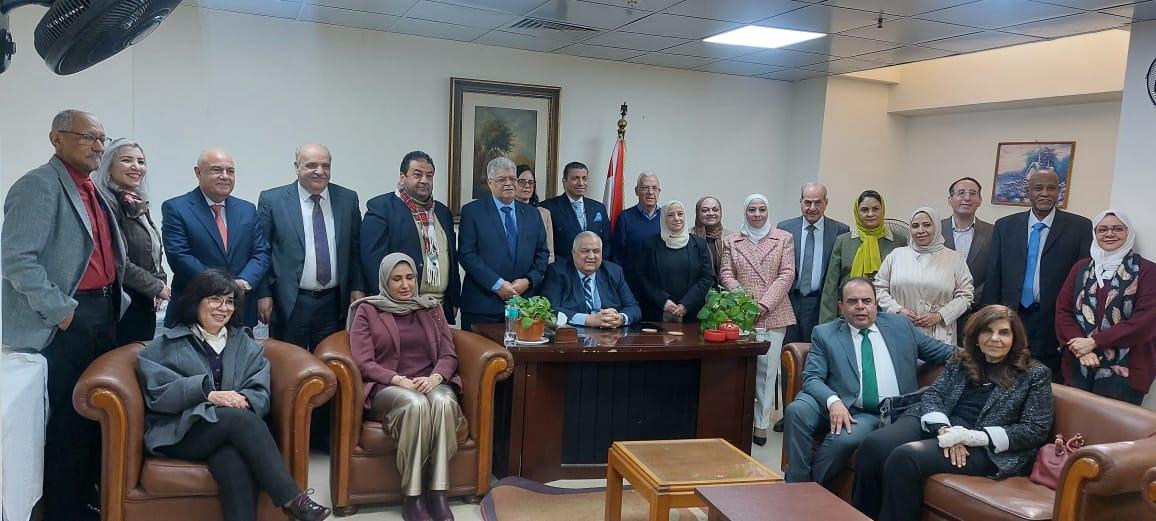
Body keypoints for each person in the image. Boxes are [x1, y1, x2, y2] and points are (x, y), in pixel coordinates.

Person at [3, 109, 129, 521]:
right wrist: (62, 313)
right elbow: (17, 259)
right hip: (67, 318)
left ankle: (87, 498)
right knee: (68, 419)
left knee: (95, 412)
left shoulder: (93, 189)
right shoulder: (39, 185)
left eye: (102, 138)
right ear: (56, 138)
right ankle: (63, 510)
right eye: (87, 137)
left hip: (104, 310)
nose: (98, 146)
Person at [138, 270, 330, 521]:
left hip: (231, 431)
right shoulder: (167, 343)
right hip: (182, 432)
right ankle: (293, 499)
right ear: (196, 301)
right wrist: (209, 395)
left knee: (231, 458)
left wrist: (242, 401)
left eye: (229, 301)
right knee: (239, 420)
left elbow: (259, 391)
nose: (223, 308)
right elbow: (158, 394)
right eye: (215, 299)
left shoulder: (245, 343)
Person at [852, 305, 1053, 521]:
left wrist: (970, 437)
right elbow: (934, 394)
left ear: (1015, 339)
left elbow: (1035, 430)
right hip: (939, 421)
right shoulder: (962, 360)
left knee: (905, 458)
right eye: (987, 331)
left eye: (1003, 332)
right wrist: (944, 429)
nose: (995, 338)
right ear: (977, 336)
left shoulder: (1034, 374)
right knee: (874, 445)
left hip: (986, 446)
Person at [784, 278, 955, 484]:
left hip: (879, 413)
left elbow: (944, 352)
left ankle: (809, 488)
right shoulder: (825, 333)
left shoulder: (900, 326)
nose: (860, 307)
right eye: (852, 301)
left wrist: (981, 355)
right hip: (842, 401)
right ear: (841, 307)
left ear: (876, 304)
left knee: (843, 439)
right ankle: (796, 483)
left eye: (866, 301)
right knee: (797, 411)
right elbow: (812, 377)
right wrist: (833, 401)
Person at [347, 254, 463, 521]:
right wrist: (398, 379)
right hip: (388, 387)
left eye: (410, 277)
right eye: (396, 279)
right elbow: (364, 362)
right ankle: (412, 497)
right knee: (416, 403)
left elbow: (448, 354)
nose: (405, 285)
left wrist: (436, 377)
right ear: (384, 281)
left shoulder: (431, 308)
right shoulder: (367, 310)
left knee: (444, 401)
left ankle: (438, 492)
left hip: (429, 381)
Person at [983, 168, 1093, 378]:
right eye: (1038, 188)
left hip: (1052, 320)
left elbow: (1083, 281)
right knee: (1004, 375)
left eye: (1051, 188)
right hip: (1010, 316)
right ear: (1028, 191)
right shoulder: (1005, 226)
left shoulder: (1080, 227)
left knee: (1046, 379)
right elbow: (994, 275)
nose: (1045, 193)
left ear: (1059, 191)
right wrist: (988, 317)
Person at [257, 144, 365, 350]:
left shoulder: (348, 199)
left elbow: (355, 248)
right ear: (297, 167)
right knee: (289, 362)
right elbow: (262, 251)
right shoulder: (273, 201)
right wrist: (263, 294)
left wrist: (358, 287)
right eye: (312, 165)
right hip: (290, 301)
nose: (320, 171)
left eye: (326, 166)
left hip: (334, 302)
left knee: (332, 360)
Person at [719, 193, 796, 446]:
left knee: (767, 371)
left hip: (774, 313)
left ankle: (761, 424)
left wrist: (764, 304)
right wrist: (747, 302)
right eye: (752, 209)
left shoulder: (783, 238)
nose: (757, 214)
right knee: (741, 371)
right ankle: (738, 421)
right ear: (745, 212)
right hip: (741, 314)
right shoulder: (731, 241)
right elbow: (726, 274)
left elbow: (787, 274)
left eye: (762, 209)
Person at [162, 148, 270, 328]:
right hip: (194, 311)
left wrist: (243, 283)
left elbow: (261, 252)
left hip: (240, 310)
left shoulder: (247, 210)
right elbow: (179, 256)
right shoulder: (176, 208)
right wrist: (225, 287)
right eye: (216, 170)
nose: (224, 176)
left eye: (230, 171)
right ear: (198, 172)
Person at [1056, 210, 1156, 405]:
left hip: (1125, 370)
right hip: (1080, 363)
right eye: (1102, 229)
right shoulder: (1081, 268)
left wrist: (1095, 342)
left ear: (1129, 233)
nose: (1110, 234)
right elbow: (1063, 312)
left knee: (1115, 424)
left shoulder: (1148, 271)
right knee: (1076, 421)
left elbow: (1145, 321)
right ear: (1095, 234)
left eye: (1118, 229)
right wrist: (1083, 349)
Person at [361, 151, 460, 323]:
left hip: (439, 307)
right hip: (400, 308)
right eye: (417, 174)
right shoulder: (382, 208)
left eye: (429, 175)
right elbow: (372, 262)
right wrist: (387, 304)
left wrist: (454, 298)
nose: (424, 180)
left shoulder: (442, 212)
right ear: (402, 177)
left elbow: (451, 258)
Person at [458, 157, 550, 331]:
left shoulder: (532, 214)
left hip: (524, 305)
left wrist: (528, 281)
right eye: (502, 179)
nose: (509, 183)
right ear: (490, 183)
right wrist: (497, 284)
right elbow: (467, 255)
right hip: (483, 305)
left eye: (513, 179)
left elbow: (542, 253)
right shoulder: (472, 212)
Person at [93, 138, 170, 343]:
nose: (136, 167)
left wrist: (160, 282)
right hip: (121, 304)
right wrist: (156, 286)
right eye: (127, 160)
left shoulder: (135, 202)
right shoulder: (106, 204)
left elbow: (153, 251)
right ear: (108, 167)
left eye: (141, 161)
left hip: (143, 299)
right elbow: (118, 260)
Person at [875, 207, 975, 345]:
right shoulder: (896, 255)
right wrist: (897, 310)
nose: (920, 230)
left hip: (940, 332)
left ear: (937, 227)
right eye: (915, 226)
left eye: (927, 225)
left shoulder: (955, 259)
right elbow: (878, 288)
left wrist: (940, 315)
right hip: (900, 329)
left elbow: (966, 295)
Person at [777, 182, 850, 345]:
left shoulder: (840, 230)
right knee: (788, 352)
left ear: (826, 203)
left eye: (817, 202)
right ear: (800, 202)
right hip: (789, 302)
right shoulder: (784, 228)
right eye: (807, 202)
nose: (812, 208)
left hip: (821, 304)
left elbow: (841, 272)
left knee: (816, 350)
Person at [819, 190, 907, 323]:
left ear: (882, 210)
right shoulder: (843, 241)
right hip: (850, 313)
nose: (870, 214)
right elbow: (831, 286)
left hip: (887, 314)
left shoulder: (898, 241)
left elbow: (903, 282)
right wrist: (827, 324)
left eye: (875, 209)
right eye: (864, 210)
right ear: (857, 212)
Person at [631, 200, 715, 323]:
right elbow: (640, 276)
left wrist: (686, 304)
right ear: (664, 218)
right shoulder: (650, 244)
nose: (676, 218)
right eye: (670, 215)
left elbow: (707, 277)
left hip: (692, 314)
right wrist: (662, 301)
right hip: (656, 312)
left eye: (680, 214)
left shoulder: (699, 244)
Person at [540, 231, 641, 328]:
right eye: (585, 251)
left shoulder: (614, 272)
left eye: (596, 251)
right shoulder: (557, 271)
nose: (591, 256)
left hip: (610, 333)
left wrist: (620, 318)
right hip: (573, 334)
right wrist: (589, 320)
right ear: (573, 253)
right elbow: (550, 309)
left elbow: (633, 307)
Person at [943, 177, 994, 338]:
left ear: (980, 200)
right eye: (961, 193)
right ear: (950, 200)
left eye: (973, 193)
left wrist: (970, 298)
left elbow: (994, 272)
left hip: (976, 311)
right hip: (939, 309)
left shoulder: (993, 232)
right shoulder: (935, 230)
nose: (967, 198)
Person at [539, 162, 612, 261]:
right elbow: (544, 246)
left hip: (595, 266)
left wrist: (598, 263)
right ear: (564, 181)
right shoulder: (548, 207)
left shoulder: (599, 208)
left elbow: (607, 242)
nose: (581, 183)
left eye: (584, 178)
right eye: (575, 178)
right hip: (562, 267)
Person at [609, 172, 662, 272]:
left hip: (660, 279)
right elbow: (617, 256)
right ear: (637, 191)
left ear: (659, 191)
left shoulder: (666, 217)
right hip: (632, 279)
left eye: (654, 188)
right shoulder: (624, 218)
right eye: (645, 188)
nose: (650, 192)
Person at [514, 164, 555, 263]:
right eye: (522, 182)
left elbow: (549, 251)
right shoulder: (506, 211)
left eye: (531, 182)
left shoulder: (543, 213)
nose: (527, 186)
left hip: (538, 267)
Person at [691, 196, 732, 277]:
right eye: (705, 210)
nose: (711, 213)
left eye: (715, 210)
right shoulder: (689, 237)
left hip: (726, 284)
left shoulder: (731, 238)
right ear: (698, 213)